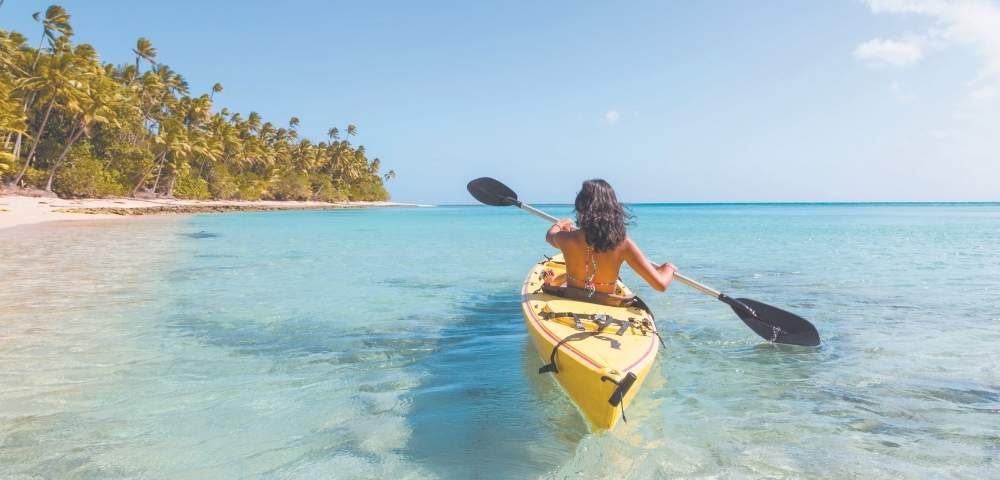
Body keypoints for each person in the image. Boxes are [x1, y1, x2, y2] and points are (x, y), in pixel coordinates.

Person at [544, 179, 675, 296]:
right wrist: (669, 268)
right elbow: (661, 285)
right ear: (613, 209)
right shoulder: (624, 244)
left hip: (572, 297)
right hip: (606, 304)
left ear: (580, 207)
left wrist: (559, 224)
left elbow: (549, 236)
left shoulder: (567, 239)